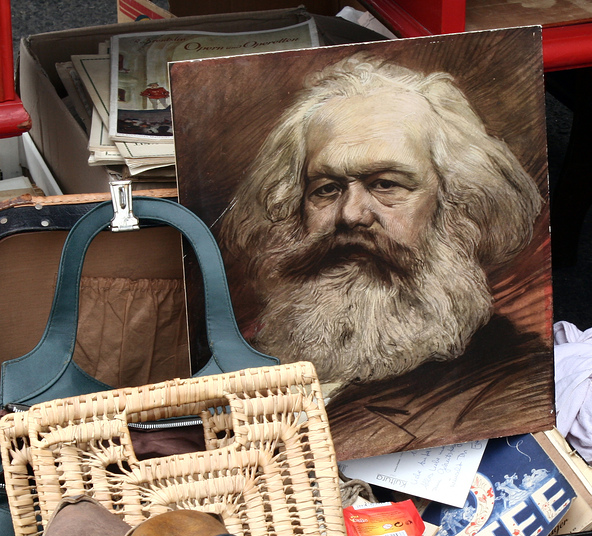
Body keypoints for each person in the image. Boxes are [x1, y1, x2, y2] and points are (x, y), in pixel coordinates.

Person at [215, 53, 551, 457]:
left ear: (456, 203)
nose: (351, 214)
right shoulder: (255, 349)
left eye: (386, 184)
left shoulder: (510, 380)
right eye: (325, 188)